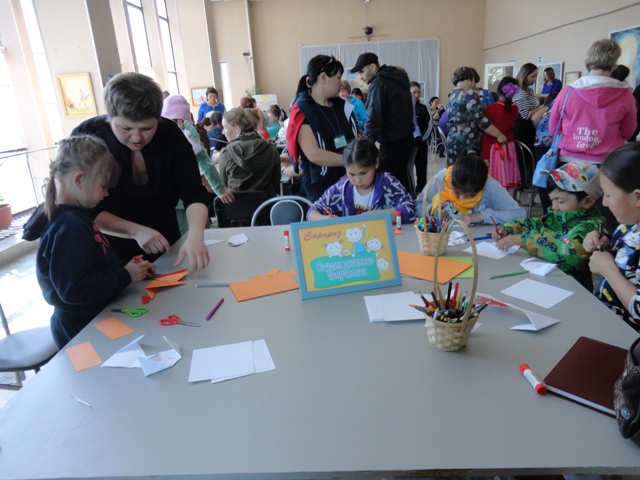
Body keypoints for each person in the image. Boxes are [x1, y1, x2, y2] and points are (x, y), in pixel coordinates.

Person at [72, 72, 210, 273]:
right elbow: (81, 208)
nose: (137, 138)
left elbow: (193, 192)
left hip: (165, 242)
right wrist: (135, 231)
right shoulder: (89, 136)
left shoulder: (170, 135)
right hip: (111, 250)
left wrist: (195, 235)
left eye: (147, 128)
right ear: (110, 117)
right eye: (126, 128)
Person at [35, 136, 155, 348]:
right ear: (79, 179)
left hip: (94, 317)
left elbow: (94, 265)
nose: (106, 194)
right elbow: (73, 290)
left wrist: (130, 267)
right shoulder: (70, 227)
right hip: (80, 328)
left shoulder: (77, 217)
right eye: (103, 186)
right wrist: (125, 275)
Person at [493, 161, 607, 291]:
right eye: (552, 200)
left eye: (560, 201)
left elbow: (571, 255)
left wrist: (525, 239)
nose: (554, 207)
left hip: (570, 289)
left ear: (588, 201)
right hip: (545, 280)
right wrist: (509, 228)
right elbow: (537, 223)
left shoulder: (592, 226)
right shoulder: (560, 214)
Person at [549, 39, 636, 166]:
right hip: (607, 162)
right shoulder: (625, 96)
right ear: (614, 63)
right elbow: (628, 131)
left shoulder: (567, 93)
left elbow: (554, 129)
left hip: (569, 161)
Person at [287, 54, 358, 202]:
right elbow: (314, 155)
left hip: (350, 181)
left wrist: (353, 171)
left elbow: (355, 141)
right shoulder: (303, 110)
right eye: (338, 77)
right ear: (323, 77)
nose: (341, 83)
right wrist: (353, 162)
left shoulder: (342, 106)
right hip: (322, 188)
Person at [584, 143, 640, 330]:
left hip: (629, 338)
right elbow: (627, 259)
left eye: (608, 195)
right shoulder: (627, 227)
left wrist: (608, 270)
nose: (605, 203)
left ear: (637, 197)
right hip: (609, 324)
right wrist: (604, 245)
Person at [161, 94, 234, 232]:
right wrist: (220, 190)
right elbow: (204, 162)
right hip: (186, 196)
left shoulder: (157, 129)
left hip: (161, 197)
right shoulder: (187, 128)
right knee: (190, 235)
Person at [307, 139, 415, 223]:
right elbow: (311, 212)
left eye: (363, 173)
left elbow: (410, 209)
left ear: (376, 163)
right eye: (351, 174)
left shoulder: (389, 184)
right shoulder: (340, 189)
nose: (358, 180)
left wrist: (379, 216)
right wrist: (325, 219)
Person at [351, 52, 415, 193]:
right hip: (406, 138)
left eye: (362, 71)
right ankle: (405, 204)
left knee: (381, 181)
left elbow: (374, 118)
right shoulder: (398, 79)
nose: (361, 77)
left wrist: (365, 147)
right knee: (400, 179)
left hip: (392, 143)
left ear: (373, 67)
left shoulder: (379, 83)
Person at [415, 152, 525, 225]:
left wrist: (481, 216)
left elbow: (519, 214)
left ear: (482, 188)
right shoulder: (442, 179)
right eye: (457, 192)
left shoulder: (490, 185)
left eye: (471, 195)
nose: (462, 198)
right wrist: (431, 210)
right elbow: (417, 205)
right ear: (451, 180)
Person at [445, 66, 507, 167]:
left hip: (453, 139)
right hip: (467, 142)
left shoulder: (453, 94)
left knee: (454, 171)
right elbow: (480, 119)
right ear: (471, 79)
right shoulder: (469, 92)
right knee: (469, 172)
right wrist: (499, 134)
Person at [217, 107, 281, 199]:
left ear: (237, 128)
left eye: (225, 127)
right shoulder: (271, 149)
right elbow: (276, 181)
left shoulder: (226, 153)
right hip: (266, 204)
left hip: (237, 206)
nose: (223, 132)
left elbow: (224, 187)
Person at [481, 76, 521, 190]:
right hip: (510, 148)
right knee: (505, 182)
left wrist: (484, 156)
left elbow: (487, 135)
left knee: (493, 184)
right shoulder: (515, 108)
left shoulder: (492, 109)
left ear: (498, 90)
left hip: (495, 150)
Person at [513, 63, 548, 179]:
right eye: (532, 76)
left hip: (531, 127)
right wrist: (542, 108)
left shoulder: (529, 91)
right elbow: (525, 115)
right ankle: (523, 180)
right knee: (524, 157)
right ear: (524, 76)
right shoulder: (519, 92)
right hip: (523, 128)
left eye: (536, 76)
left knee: (530, 157)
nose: (534, 79)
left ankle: (528, 178)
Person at [410, 81, 431, 194]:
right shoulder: (404, 108)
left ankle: (421, 192)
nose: (417, 95)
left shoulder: (423, 108)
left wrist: (421, 140)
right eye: (414, 92)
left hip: (421, 145)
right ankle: (410, 191)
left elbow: (429, 126)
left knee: (421, 170)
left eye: (418, 92)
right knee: (408, 170)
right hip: (408, 145)